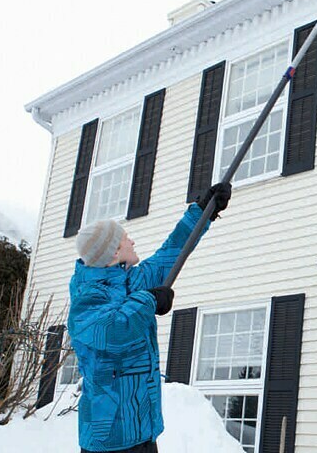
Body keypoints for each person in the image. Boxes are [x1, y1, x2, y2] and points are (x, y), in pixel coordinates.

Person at [67, 182, 232, 453]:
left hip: (143, 434)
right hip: (110, 443)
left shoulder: (130, 282)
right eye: (125, 238)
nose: (132, 241)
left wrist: (203, 211)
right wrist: (150, 301)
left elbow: (170, 254)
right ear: (114, 252)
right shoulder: (87, 299)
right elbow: (115, 330)